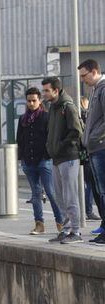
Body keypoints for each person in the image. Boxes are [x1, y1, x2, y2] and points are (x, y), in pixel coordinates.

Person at [17, 87, 64, 234]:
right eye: (29, 101)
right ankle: (39, 224)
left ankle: (60, 222)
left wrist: (47, 154)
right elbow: (20, 139)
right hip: (28, 161)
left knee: (50, 192)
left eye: (34, 100)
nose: (31, 103)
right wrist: (21, 158)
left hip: (44, 160)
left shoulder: (46, 116)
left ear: (39, 100)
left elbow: (51, 137)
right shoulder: (23, 119)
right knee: (35, 194)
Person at [42, 77, 83, 244]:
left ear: (55, 90)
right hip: (57, 158)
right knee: (60, 196)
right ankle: (65, 230)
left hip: (69, 157)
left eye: (46, 90)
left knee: (70, 195)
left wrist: (59, 145)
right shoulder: (53, 107)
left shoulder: (68, 107)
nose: (44, 93)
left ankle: (76, 231)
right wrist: (50, 147)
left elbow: (76, 131)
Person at [78, 59, 105, 244]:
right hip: (95, 147)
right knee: (100, 190)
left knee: (103, 190)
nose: (82, 80)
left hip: (101, 147)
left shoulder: (102, 89)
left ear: (94, 71)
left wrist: (95, 137)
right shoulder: (95, 89)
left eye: (84, 75)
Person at [80, 96, 101, 221]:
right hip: (89, 153)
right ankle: (88, 210)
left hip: (84, 154)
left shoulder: (83, 115)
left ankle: (87, 210)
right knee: (90, 184)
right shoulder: (86, 116)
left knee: (88, 184)